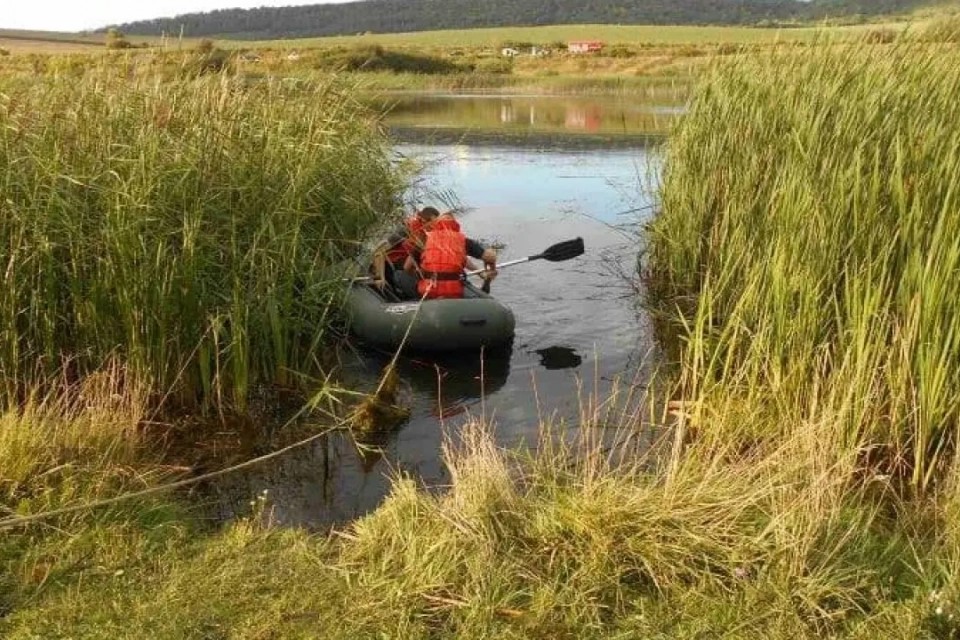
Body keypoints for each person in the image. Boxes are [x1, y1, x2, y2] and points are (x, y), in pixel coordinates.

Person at [402, 209, 498, 299]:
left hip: (428, 289)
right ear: (456, 225)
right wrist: (490, 270)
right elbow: (490, 257)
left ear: (436, 224)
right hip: (454, 291)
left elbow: (407, 268)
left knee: (400, 276)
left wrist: (420, 276)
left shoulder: (424, 241)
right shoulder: (463, 240)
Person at [370, 207, 434, 299]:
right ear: (423, 220)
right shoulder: (404, 230)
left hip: (405, 269)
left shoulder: (423, 235)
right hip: (390, 269)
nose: (434, 227)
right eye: (433, 223)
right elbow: (379, 251)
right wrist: (379, 278)